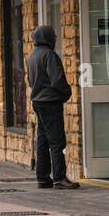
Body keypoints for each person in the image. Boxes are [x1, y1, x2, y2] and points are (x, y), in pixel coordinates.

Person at [26, 25, 79, 190]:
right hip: (50, 102)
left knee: (42, 140)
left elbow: (30, 81)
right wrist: (66, 93)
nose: (55, 38)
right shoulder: (49, 55)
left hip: (38, 102)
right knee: (57, 141)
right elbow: (57, 80)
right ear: (47, 37)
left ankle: (42, 177)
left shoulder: (32, 56)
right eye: (53, 36)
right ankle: (59, 178)